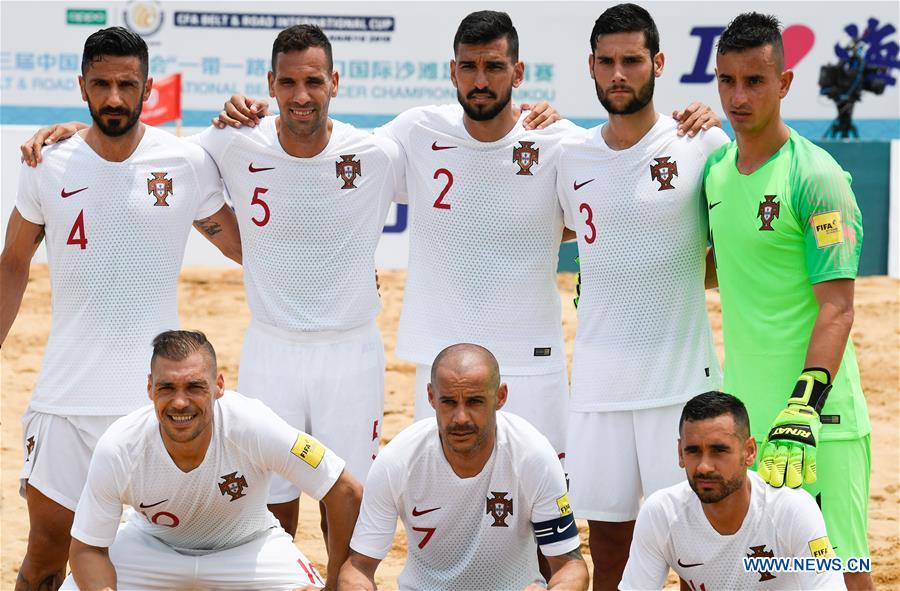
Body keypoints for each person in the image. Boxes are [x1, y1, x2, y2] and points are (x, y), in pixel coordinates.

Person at [1, 27, 241, 590]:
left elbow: (242, 247)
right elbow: (12, 263)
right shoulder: (47, 163)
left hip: (156, 404)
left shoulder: (185, 162)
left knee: (162, 563)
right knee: (44, 556)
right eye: (102, 84)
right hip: (66, 402)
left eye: (126, 85)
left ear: (148, 88)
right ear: (82, 86)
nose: (114, 98)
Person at [555, 6, 727, 589]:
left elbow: (728, 257)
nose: (619, 74)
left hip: (680, 383)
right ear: (591, 68)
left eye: (632, 60)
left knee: (697, 547)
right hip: (600, 384)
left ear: (657, 63)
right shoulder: (567, 154)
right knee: (608, 546)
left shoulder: (701, 143)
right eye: (607, 62)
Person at [704, 12, 871, 589]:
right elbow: (722, 268)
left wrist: (804, 408)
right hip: (748, 421)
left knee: (841, 570)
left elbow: (838, 307)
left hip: (817, 421)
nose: (738, 96)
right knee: (771, 572)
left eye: (755, 81)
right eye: (727, 80)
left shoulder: (818, 177)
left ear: (785, 83)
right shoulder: (717, 171)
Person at [58, 330, 362, 591]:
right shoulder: (119, 446)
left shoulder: (254, 425)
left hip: (250, 548)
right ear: (150, 388)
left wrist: (335, 581)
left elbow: (344, 490)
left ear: (218, 386)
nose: (180, 402)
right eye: (167, 387)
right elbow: (88, 549)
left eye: (194, 387)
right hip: (150, 547)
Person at [338, 343, 589, 591]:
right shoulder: (397, 460)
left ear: (500, 397)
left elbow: (570, 566)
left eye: (475, 402)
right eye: (448, 402)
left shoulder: (533, 455)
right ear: (431, 397)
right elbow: (359, 566)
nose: (460, 418)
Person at [620, 391, 845, 590]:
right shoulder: (660, 513)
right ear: (680, 453)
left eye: (719, 450)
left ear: (749, 451)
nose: (704, 466)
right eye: (693, 451)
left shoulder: (793, 509)